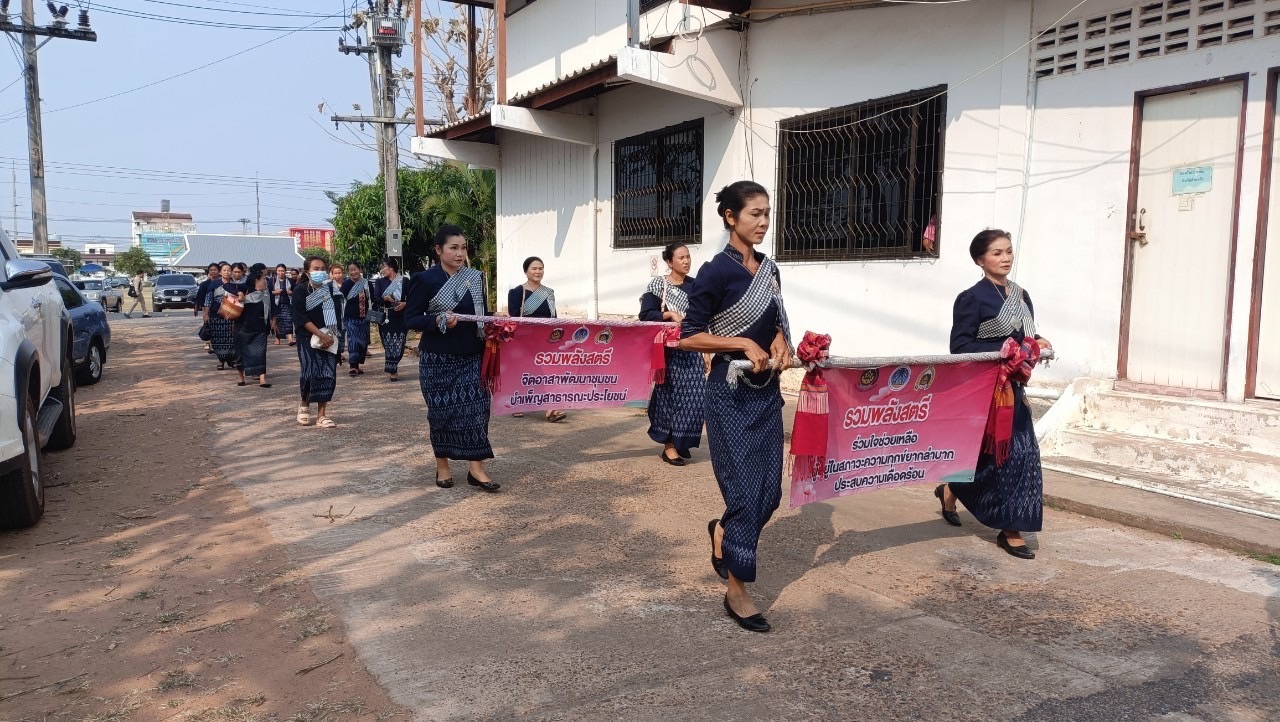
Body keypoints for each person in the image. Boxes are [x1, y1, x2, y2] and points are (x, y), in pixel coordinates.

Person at [681, 181, 793, 634]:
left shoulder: (770, 269)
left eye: (767, 214)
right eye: (754, 214)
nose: (763, 222)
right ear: (731, 217)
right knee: (745, 493)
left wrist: (780, 342)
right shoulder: (714, 273)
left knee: (769, 494)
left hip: (766, 393)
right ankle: (738, 590)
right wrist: (742, 341)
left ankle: (722, 533)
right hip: (728, 395)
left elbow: (777, 321)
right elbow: (689, 335)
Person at [935, 229, 1052, 560]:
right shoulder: (971, 298)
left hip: (1014, 389)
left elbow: (1023, 334)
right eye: (997, 253)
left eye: (1009, 252)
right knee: (987, 457)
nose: (1005, 258)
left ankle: (1008, 525)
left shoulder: (1022, 295)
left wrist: (1038, 341)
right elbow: (960, 346)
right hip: (984, 390)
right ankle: (959, 490)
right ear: (980, 260)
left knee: (1020, 455)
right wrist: (1006, 348)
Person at [405, 225, 500, 492]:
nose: (460, 254)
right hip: (438, 359)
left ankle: (476, 469)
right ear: (439, 250)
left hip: (472, 354)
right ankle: (443, 466)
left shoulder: (475, 277)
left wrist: (495, 320)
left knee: (477, 412)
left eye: (463, 248)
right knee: (441, 413)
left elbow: (480, 311)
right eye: (453, 248)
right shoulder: (425, 280)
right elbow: (411, 318)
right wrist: (437, 320)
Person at [641, 242, 705, 466]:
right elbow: (646, 315)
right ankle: (669, 445)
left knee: (695, 399)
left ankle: (682, 440)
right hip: (669, 352)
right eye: (681, 257)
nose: (686, 261)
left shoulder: (697, 286)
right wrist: (669, 314)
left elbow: (704, 317)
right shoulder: (658, 285)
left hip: (694, 348)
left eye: (688, 257)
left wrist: (707, 349)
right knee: (671, 398)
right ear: (669, 262)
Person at [506, 256, 565, 422]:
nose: (538, 271)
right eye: (534, 268)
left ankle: (551, 408)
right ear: (526, 271)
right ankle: (518, 403)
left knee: (549, 372)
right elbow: (514, 317)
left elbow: (554, 317)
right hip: (524, 339)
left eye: (540, 268)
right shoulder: (517, 292)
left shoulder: (549, 293)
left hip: (546, 339)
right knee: (524, 371)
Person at [292, 255, 341, 428]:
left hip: (330, 338)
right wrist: (320, 334)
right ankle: (304, 403)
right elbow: (300, 317)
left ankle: (322, 415)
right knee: (309, 373)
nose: (320, 272)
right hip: (308, 338)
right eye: (315, 269)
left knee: (327, 374)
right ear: (307, 271)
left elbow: (337, 315)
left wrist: (333, 337)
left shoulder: (332, 290)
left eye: (322, 269)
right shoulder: (300, 290)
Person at [235, 268, 273, 388]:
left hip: (260, 328)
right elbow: (227, 287)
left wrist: (271, 324)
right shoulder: (244, 290)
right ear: (256, 280)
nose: (266, 282)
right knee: (241, 353)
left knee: (260, 353)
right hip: (243, 327)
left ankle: (262, 379)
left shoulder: (266, 293)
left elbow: (270, 311)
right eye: (263, 279)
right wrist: (240, 295)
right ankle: (241, 377)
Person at [373, 257, 408, 382]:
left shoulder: (404, 280)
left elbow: (412, 297)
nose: (382, 270)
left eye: (384, 267)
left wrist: (404, 304)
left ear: (391, 267)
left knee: (400, 343)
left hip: (401, 316)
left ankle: (394, 363)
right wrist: (385, 299)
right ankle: (393, 370)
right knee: (388, 344)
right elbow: (376, 299)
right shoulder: (380, 282)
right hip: (387, 317)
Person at [341, 262, 371, 376]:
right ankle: (352, 365)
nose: (353, 272)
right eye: (350, 270)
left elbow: (372, 298)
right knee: (353, 340)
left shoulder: (366, 283)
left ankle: (357, 365)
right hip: (351, 318)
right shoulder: (346, 284)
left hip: (365, 317)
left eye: (355, 269)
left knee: (363, 342)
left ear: (360, 269)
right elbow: (340, 299)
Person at [208, 263, 239, 370]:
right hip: (216, 316)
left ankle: (232, 360)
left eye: (228, 270)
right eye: (224, 270)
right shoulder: (214, 284)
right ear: (220, 272)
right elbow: (208, 300)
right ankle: (220, 361)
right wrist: (205, 314)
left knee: (231, 339)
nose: (226, 272)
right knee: (218, 340)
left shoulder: (234, 285)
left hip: (230, 316)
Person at [194, 262, 222, 354]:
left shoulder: (223, 282)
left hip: (221, 309)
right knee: (208, 326)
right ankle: (209, 343)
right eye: (211, 270)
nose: (213, 272)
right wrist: (199, 309)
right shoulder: (205, 284)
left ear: (219, 271)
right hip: (207, 309)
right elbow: (200, 297)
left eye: (215, 270)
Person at [269, 263, 295, 346]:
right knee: (277, 321)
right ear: (276, 271)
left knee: (288, 320)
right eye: (279, 271)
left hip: (287, 304)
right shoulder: (271, 280)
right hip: (276, 304)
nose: (281, 273)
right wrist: (275, 292)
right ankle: (278, 338)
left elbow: (296, 292)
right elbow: (267, 292)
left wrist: (291, 293)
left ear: (285, 271)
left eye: (282, 271)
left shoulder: (290, 281)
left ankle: (290, 338)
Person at [328, 264, 347, 365]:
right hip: (334, 314)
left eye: (339, 273)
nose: (338, 275)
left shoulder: (347, 284)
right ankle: (336, 356)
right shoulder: (329, 286)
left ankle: (339, 353)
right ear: (332, 274)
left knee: (342, 335)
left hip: (346, 313)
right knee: (335, 334)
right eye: (335, 273)